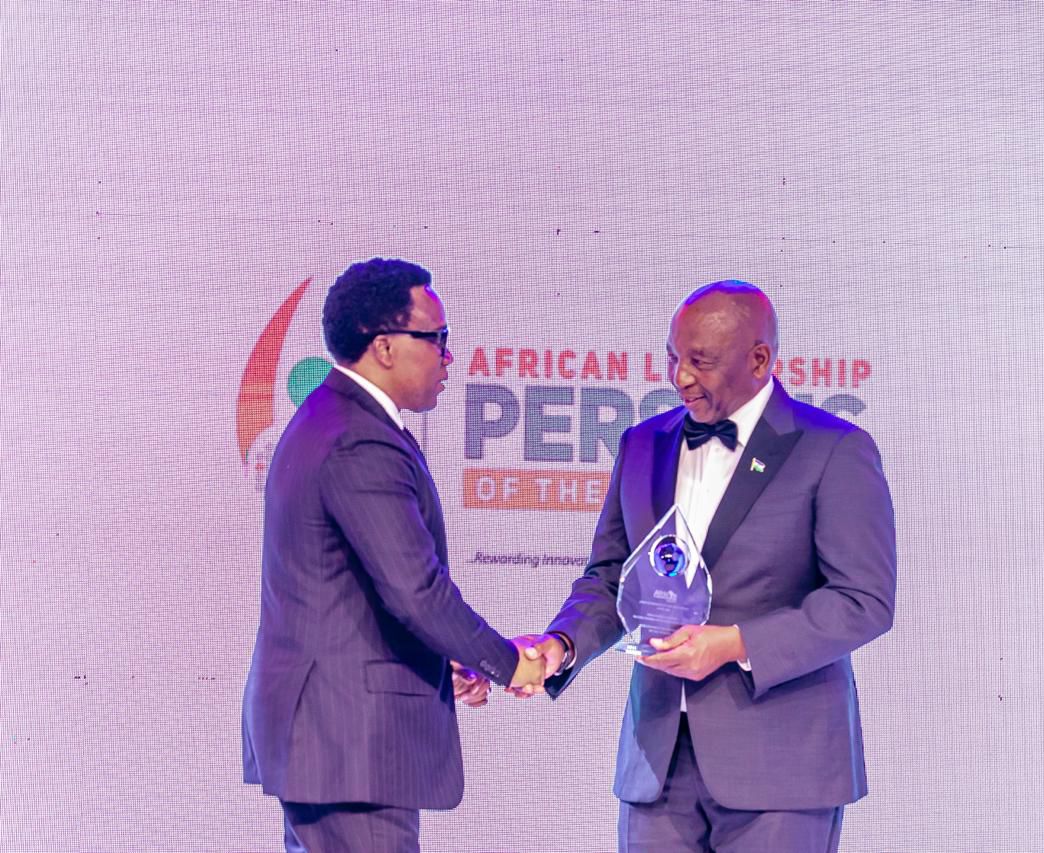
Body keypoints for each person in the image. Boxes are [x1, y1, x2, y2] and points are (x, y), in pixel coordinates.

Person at [517, 280, 896, 852]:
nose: (680, 377)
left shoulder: (833, 448)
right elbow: (612, 577)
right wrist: (561, 644)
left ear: (759, 360)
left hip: (782, 769)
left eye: (701, 361)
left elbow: (863, 600)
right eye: (673, 357)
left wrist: (734, 643)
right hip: (656, 763)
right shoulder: (643, 444)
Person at [242, 258, 544, 852]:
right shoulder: (359, 438)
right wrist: (507, 663)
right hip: (349, 745)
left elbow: (358, 590)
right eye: (437, 338)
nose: (448, 356)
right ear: (383, 346)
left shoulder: (331, 420)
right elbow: (415, 591)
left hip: (332, 741)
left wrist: (442, 657)